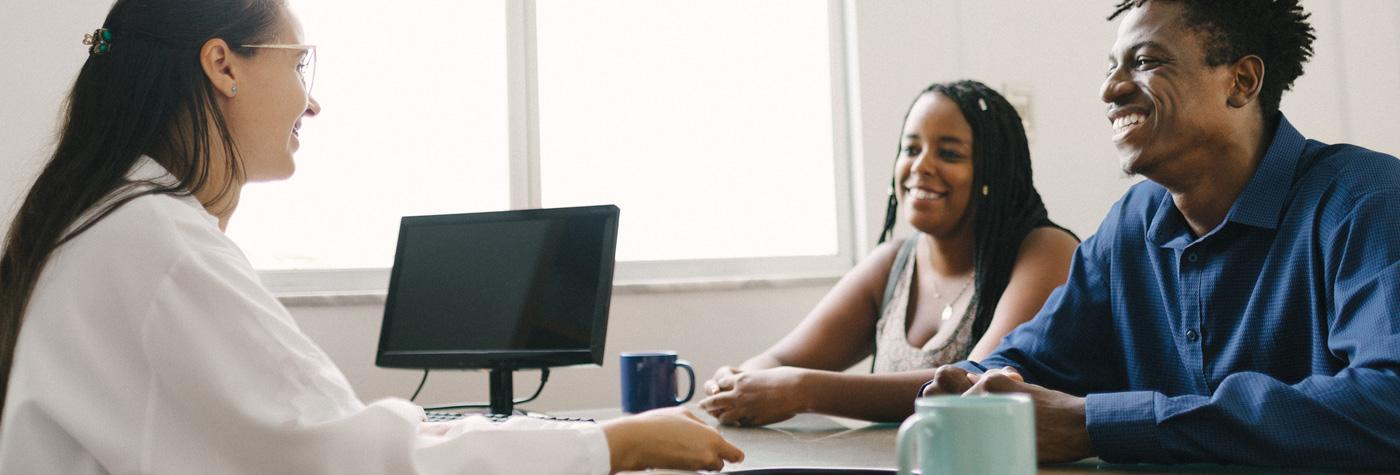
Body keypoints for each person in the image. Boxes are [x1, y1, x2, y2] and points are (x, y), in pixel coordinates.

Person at [0, 1, 743, 473]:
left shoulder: (106, 220)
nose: (313, 101)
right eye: (300, 65)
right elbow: (351, 460)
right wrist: (618, 443)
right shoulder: (157, 243)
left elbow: (314, 438)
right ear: (222, 64)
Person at [918, 0, 1400, 469]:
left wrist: (1097, 425)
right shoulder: (1131, 223)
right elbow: (1035, 358)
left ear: (1242, 82)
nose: (1110, 90)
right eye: (1111, 67)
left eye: (1145, 61)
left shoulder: (1367, 201)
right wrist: (970, 384)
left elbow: (1389, 399)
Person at [700, 80, 1080, 425]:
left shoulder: (1046, 251)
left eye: (948, 154)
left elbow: (975, 385)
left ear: (991, 174)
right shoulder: (894, 262)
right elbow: (779, 359)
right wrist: (744, 380)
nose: (920, 166)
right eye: (910, 148)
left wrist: (802, 390)